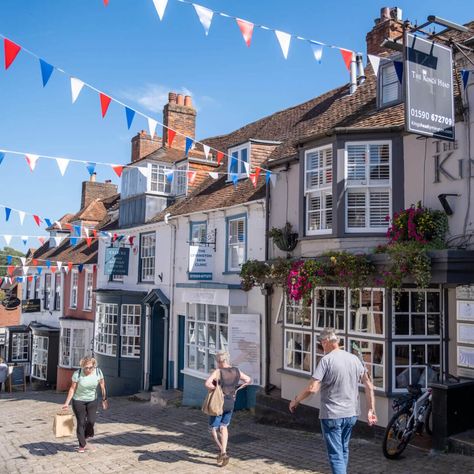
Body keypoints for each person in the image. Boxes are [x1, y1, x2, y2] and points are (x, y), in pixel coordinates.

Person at [289, 328, 377, 474]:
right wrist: (371, 409)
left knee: (336, 456)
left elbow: (312, 388)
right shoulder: (354, 359)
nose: (322, 346)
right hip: (351, 414)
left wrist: (296, 400)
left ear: (326, 342)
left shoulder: (326, 361)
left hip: (332, 415)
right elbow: (369, 385)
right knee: (343, 450)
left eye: (322, 343)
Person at [204, 351, 251, 467]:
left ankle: (222, 452)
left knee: (213, 429)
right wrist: (237, 390)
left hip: (219, 403)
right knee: (224, 426)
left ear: (220, 361)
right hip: (230, 402)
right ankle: (223, 450)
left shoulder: (218, 372)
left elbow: (207, 383)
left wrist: (215, 389)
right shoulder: (236, 371)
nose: (217, 363)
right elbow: (248, 380)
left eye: (217, 361)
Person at [62, 357, 108, 453]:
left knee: (91, 421)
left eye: (90, 367)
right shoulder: (77, 374)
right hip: (78, 401)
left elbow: (103, 387)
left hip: (92, 400)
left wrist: (104, 399)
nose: (88, 370)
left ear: (94, 366)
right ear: (82, 367)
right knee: (81, 422)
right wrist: (66, 403)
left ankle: (85, 436)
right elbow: (72, 389)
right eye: (86, 368)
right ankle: (82, 445)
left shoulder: (98, 372)